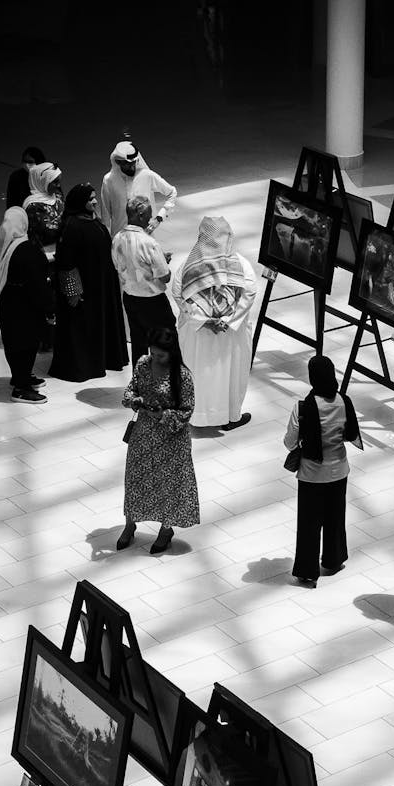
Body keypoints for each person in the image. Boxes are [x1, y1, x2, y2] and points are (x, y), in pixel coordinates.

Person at [284, 355, 363, 587]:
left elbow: (290, 442)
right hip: (339, 470)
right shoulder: (344, 401)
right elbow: (351, 433)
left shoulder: (303, 407)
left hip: (311, 475)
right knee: (335, 517)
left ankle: (308, 570)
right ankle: (333, 558)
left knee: (309, 523)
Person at [120, 327, 200, 555]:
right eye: (153, 353)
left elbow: (186, 411)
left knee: (168, 485)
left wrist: (163, 415)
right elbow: (130, 390)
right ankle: (130, 523)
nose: (155, 358)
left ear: (172, 353)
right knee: (135, 480)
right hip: (143, 435)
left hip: (171, 440)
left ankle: (166, 529)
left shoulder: (182, 376)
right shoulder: (143, 364)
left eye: (160, 355)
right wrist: (133, 400)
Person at [172, 216, 257, 429]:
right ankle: (230, 417)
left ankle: (192, 415)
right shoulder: (242, 266)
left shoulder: (188, 267)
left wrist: (202, 320)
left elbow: (178, 294)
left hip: (197, 336)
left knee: (197, 375)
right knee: (229, 376)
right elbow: (249, 293)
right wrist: (228, 320)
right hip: (231, 336)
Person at [50, 184, 129, 382]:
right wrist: (73, 291)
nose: (95, 201)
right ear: (80, 202)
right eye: (90, 198)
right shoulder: (71, 226)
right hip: (85, 290)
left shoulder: (93, 220)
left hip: (102, 285)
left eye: (95, 197)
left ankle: (105, 358)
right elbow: (66, 263)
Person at [0, 207, 53, 402]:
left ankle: (20, 377)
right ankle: (21, 388)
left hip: (8, 304)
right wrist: (49, 307)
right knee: (26, 345)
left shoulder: (5, 244)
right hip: (24, 307)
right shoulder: (26, 248)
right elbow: (38, 283)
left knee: (15, 344)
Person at [112, 195, 176, 366]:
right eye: (148, 214)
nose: (151, 219)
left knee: (139, 344)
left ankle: (140, 385)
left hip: (130, 298)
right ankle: (165, 385)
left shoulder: (117, 239)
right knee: (165, 343)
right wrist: (163, 263)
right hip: (153, 302)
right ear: (140, 215)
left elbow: (121, 265)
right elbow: (165, 277)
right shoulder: (149, 243)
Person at [100, 139, 176, 238]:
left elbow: (172, 192)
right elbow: (105, 215)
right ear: (118, 162)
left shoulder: (146, 175)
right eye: (127, 164)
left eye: (134, 163)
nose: (132, 167)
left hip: (146, 236)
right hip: (120, 238)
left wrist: (159, 217)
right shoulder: (108, 180)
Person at [23, 162, 64, 254]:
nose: (58, 186)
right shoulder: (33, 206)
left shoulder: (57, 196)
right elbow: (49, 232)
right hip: (45, 255)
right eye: (55, 182)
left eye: (59, 181)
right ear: (42, 181)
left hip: (61, 250)